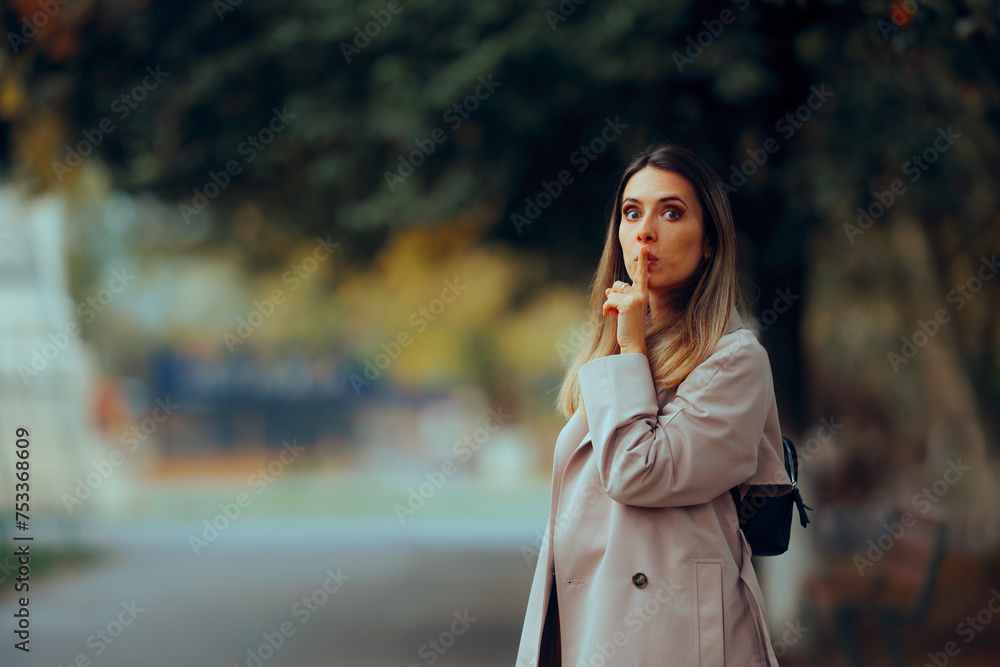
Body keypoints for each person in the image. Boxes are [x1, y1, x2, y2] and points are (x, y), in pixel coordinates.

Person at [514, 143, 793, 666]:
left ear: (709, 241)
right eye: (631, 212)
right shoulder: (618, 351)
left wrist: (632, 348)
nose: (645, 231)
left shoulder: (735, 361)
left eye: (671, 212)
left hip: (678, 636)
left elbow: (639, 472)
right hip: (602, 621)